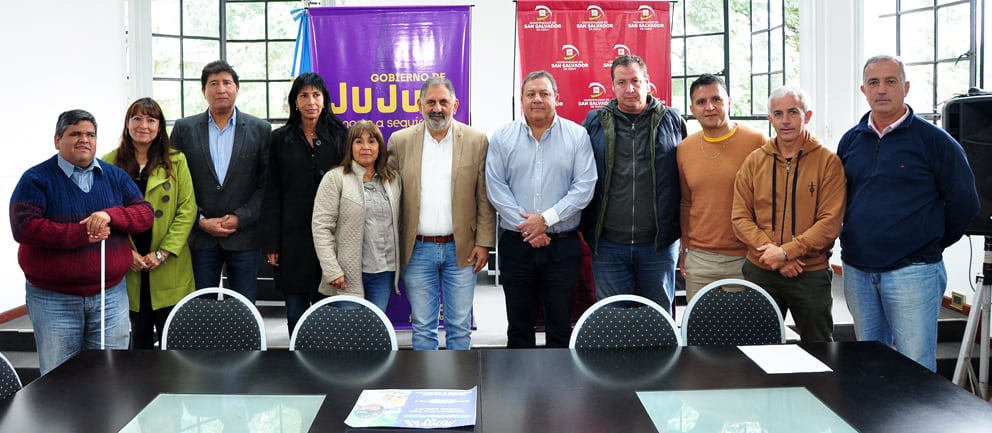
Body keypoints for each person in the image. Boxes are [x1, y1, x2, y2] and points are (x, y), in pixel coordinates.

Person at [838, 54, 979, 371]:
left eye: (891, 81)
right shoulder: (851, 140)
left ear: (906, 87)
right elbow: (840, 198)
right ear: (864, 90)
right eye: (874, 82)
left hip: (913, 272)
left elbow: (965, 201)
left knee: (914, 366)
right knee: (868, 361)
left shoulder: (934, 141)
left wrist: (932, 242)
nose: (882, 89)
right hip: (858, 271)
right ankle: (872, 422)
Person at [10, 109, 153, 374]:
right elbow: (24, 227)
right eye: (74, 133)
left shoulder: (115, 176)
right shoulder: (36, 179)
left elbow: (144, 214)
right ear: (57, 140)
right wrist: (83, 233)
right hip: (53, 300)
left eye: (90, 134)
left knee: (110, 374)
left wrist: (110, 216)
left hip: (110, 297)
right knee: (58, 380)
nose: (84, 139)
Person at [488, 70, 597, 348]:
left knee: (560, 328)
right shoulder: (502, 137)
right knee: (519, 328)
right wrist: (529, 228)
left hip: (562, 246)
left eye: (544, 93)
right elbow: (496, 188)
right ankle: (520, 388)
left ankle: (558, 391)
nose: (537, 99)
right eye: (531, 94)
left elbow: (584, 186)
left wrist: (545, 220)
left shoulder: (577, 136)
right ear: (521, 100)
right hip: (516, 245)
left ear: (557, 98)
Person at [387, 77, 496, 350]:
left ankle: (460, 388)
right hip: (417, 250)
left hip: (461, 250)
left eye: (443, 102)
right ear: (419, 105)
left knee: (459, 327)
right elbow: (390, 198)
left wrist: (484, 242)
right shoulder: (400, 142)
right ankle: (428, 388)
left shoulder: (476, 140)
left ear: (455, 105)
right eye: (431, 102)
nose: (437, 108)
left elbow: (483, 196)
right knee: (423, 327)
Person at [731, 85, 846, 343]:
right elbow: (740, 218)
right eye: (778, 113)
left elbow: (830, 223)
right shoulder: (754, 161)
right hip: (761, 270)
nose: (785, 121)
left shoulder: (828, 162)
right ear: (769, 118)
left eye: (793, 112)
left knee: (819, 349)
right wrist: (775, 254)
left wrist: (786, 252)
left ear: (808, 115)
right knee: (757, 348)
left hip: (810, 273)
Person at [581, 54, 686, 311]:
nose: (629, 89)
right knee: (614, 323)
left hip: (658, 245)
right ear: (613, 86)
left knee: (659, 320)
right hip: (608, 245)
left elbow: (687, 178)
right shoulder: (594, 123)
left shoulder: (672, 120)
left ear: (648, 83)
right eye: (621, 82)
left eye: (636, 81)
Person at [171, 60, 271, 303]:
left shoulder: (261, 129)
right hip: (200, 237)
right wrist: (200, 220)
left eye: (227, 83)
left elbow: (266, 185)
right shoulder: (184, 129)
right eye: (213, 84)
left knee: (244, 308)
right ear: (204, 91)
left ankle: (244, 344)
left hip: (244, 237)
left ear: (237, 88)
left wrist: (241, 217)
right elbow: (174, 184)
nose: (221, 89)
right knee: (199, 307)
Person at [103, 98, 198, 349]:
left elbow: (187, 209)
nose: (143, 125)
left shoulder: (176, 161)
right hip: (129, 264)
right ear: (127, 124)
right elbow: (103, 214)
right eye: (137, 118)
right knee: (137, 340)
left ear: (160, 126)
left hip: (167, 262)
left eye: (151, 119)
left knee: (174, 342)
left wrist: (163, 252)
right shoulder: (108, 163)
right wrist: (126, 253)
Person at [261, 72, 347, 333]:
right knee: (296, 313)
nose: (311, 101)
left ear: (325, 100)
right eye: (304, 95)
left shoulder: (340, 135)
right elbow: (271, 191)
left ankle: (326, 370)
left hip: (331, 237)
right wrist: (272, 243)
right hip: (292, 238)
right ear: (295, 101)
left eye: (316, 95)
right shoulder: (279, 139)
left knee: (327, 315)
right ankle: (297, 365)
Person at [677, 74, 766, 301]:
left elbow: (770, 200)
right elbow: (687, 201)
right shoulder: (684, 149)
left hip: (746, 256)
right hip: (700, 258)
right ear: (692, 109)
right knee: (699, 331)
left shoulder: (756, 141)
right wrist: (686, 246)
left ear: (729, 102)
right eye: (701, 102)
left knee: (744, 333)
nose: (709, 107)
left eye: (716, 99)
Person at [312, 120, 401, 311]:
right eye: (359, 141)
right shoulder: (335, 178)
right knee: (349, 336)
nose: (366, 147)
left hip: (383, 272)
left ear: (380, 146)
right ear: (350, 146)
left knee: (374, 331)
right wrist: (331, 270)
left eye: (372, 141)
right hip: (347, 274)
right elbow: (321, 227)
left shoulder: (392, 179)